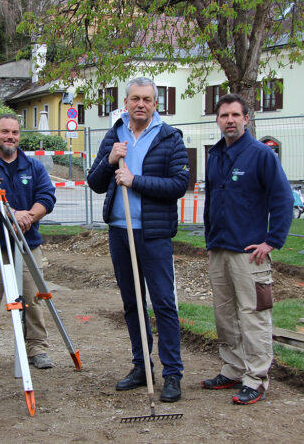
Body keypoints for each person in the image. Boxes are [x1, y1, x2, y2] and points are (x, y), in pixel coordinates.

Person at [86, 77, 189, 403]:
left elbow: (178, 185)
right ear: (126, 102)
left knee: (163, 303)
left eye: (147, 99)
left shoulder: (170, 138)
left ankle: (172, 373)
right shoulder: (114, 134)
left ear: (155, 103)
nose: (140, 104)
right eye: (135, 99)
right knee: (132, 304)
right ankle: (141, 366)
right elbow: (95, 182)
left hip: (154, 233)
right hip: (120, 230)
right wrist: (110, 161)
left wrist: (136, 180)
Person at [200, 93, 293, 405]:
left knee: (253, 316)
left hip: (250, 255)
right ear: (217, 120)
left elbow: (283, 199)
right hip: (220, 249)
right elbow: (211, 202)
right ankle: (233, 368)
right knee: (224, 315)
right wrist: (210, 241)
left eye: (235, 115)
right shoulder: (214, 155)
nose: (229, 121)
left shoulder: (261, 155)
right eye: (224, 115)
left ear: (246, 119)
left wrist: (272, 241)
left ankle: (256, 378)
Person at [0, 114, 56, 374]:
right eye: (5, 132)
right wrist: (13, 214)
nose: (11, 137)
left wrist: (29, 216)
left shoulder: (33, 167)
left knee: (33, 299)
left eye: (15, 132)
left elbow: (47, 197)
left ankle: (37, 348)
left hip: (28, 245)